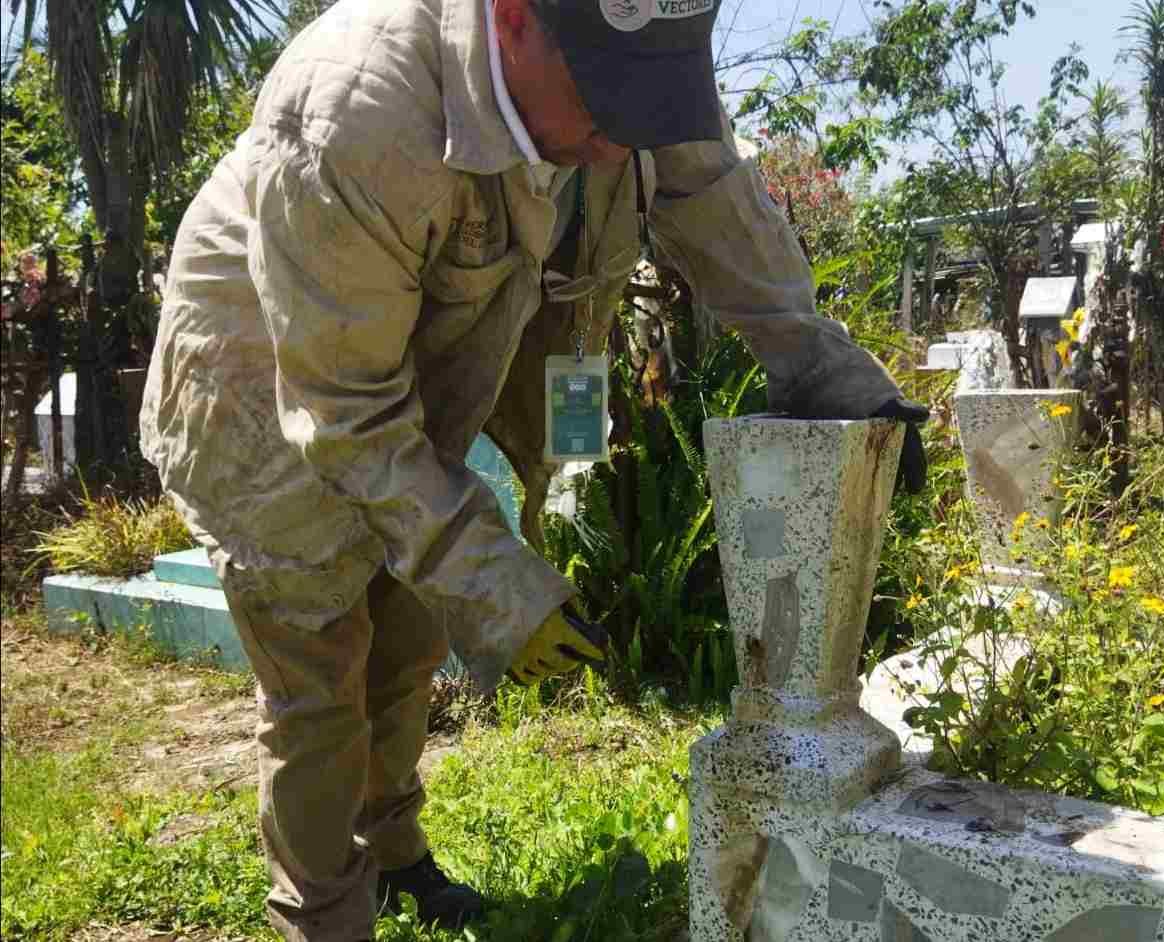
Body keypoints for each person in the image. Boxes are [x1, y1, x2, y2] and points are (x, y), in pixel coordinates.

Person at [139, 0, 928, 936]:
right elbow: (345, 414)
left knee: (408, 636)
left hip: (398, 376)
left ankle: (392, 855)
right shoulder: (353, 110)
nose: (617, 142)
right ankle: (320, 914)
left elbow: (712, 197)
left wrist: (824, 367)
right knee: (319, 672)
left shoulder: (630, 61)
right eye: (606, 101)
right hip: (267, 382)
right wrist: (503, 589)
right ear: (510, 17)